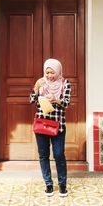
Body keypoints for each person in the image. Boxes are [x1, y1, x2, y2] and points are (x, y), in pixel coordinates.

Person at [29, 58, 71, 197]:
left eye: (52, 73)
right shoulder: (41, 82)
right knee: (43, 155)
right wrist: (36, 89)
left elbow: (66, 104)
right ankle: (48, 183)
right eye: (47, 73)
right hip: (42, 123)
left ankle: (62, 184)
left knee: (59, 154)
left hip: (58, 125)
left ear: (58, 71)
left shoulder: (65, 84)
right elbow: (31, 100)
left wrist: (56, 99)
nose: (49, 76)